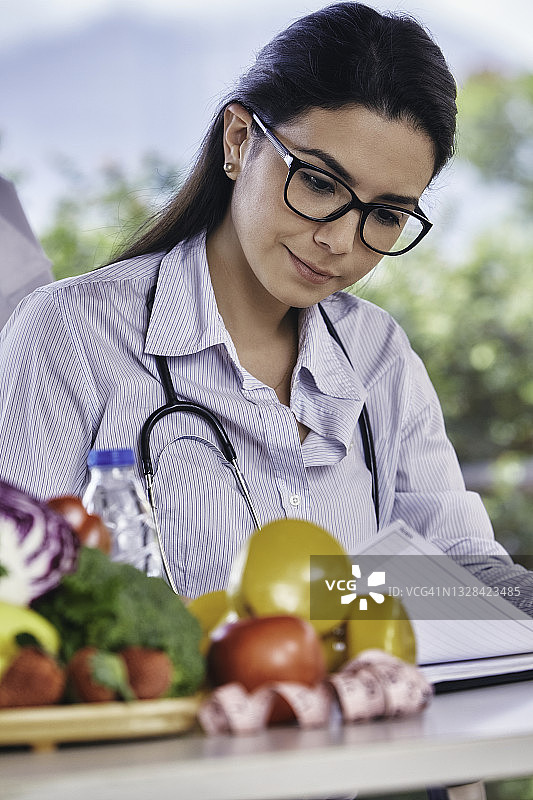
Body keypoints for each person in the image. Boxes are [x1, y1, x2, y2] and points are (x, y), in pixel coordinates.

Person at [0, 2, 532, 612]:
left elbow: (465, 574)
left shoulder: (376, 352)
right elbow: (15, 595)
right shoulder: (70, 332)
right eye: (318, 182)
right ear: (239, 140)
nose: (338, 240)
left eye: (385, 215)